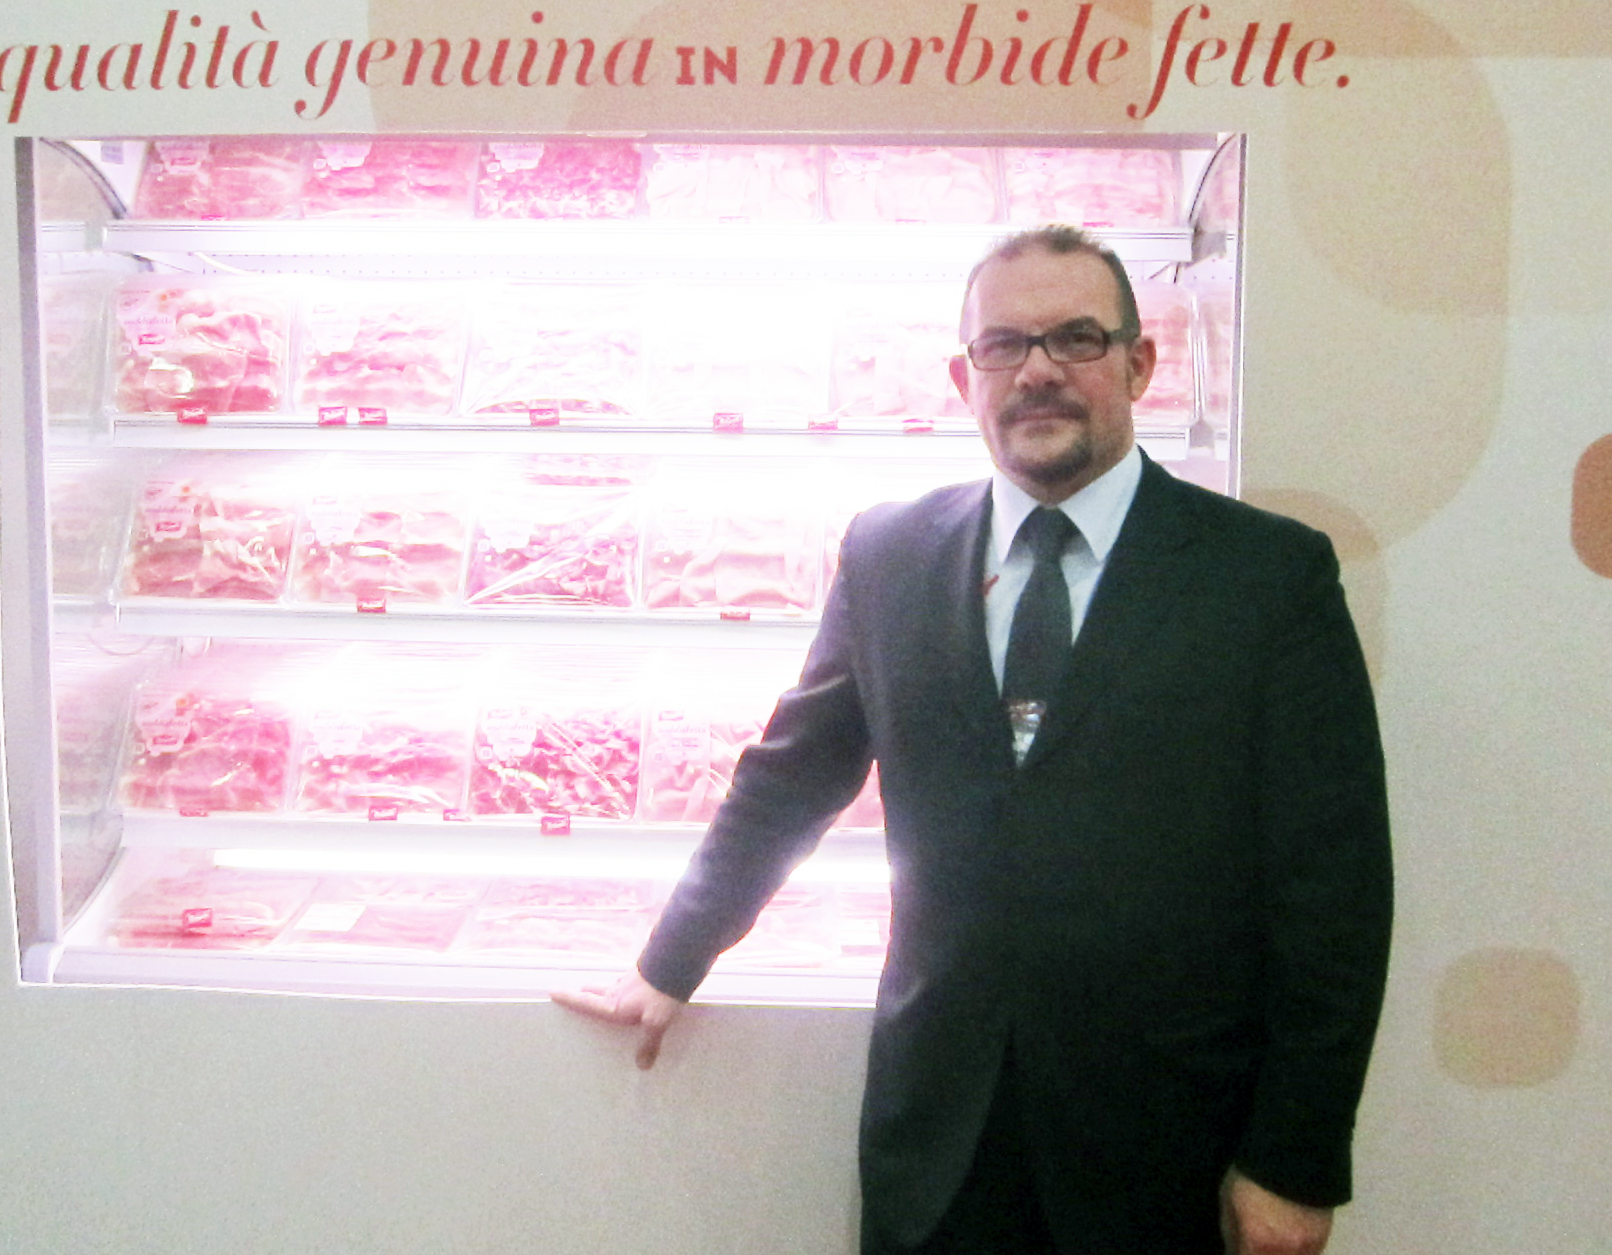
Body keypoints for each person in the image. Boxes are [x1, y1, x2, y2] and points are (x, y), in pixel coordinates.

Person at [555, 225, 1392, 1255]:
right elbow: (791, 779)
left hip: (1166, 1145)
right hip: (939, 1137)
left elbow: (1333, 890)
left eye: (1075, 338)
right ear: (965, 377)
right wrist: (670, 960)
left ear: (1138, 364)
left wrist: (1295, 1158)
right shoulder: (889, 554)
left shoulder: (1264, 577)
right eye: (1003, 345)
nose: (1037, 371)